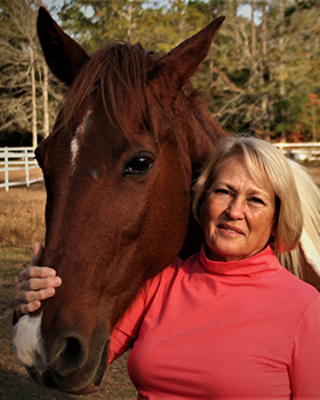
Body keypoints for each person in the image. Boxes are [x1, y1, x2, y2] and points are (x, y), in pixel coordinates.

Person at [15, 136, 320, 399]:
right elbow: (68, 364)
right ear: (202, 199)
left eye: (255, 200)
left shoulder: (306, 308)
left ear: (278, 217)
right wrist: (36, 307)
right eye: (223, 192)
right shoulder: (163, 280)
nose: (235, 211)